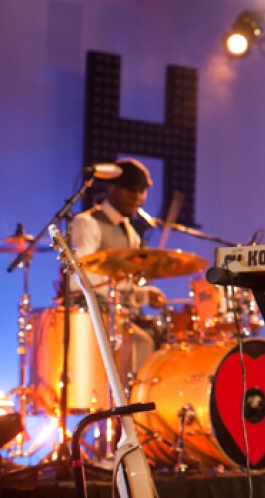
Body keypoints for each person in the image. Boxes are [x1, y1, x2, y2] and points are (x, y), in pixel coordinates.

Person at [71, 157, 164, 377]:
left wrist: (144, 295)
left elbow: (125, 287)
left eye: (142, 191)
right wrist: (119, 288)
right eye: (132, 190)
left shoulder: (130, 232)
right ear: (112, 188)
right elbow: (77, 278)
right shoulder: (88, 223)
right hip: (91, 319)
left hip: (119, 318)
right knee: (142, 342)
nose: (138, 197)